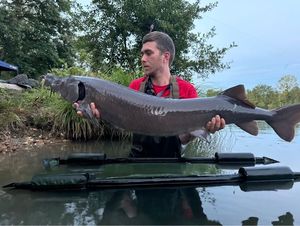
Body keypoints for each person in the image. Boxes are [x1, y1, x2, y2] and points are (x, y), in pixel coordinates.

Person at [74, 31, 225, 157]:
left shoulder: (186, 89)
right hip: (137, 161)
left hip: (172, 163)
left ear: (165, 57)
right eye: (142, 54)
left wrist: (203, 128)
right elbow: (122, 128)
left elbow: (183, 139)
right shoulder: (134, 87)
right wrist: (100, 116)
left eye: (148, 53)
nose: (142, 59)